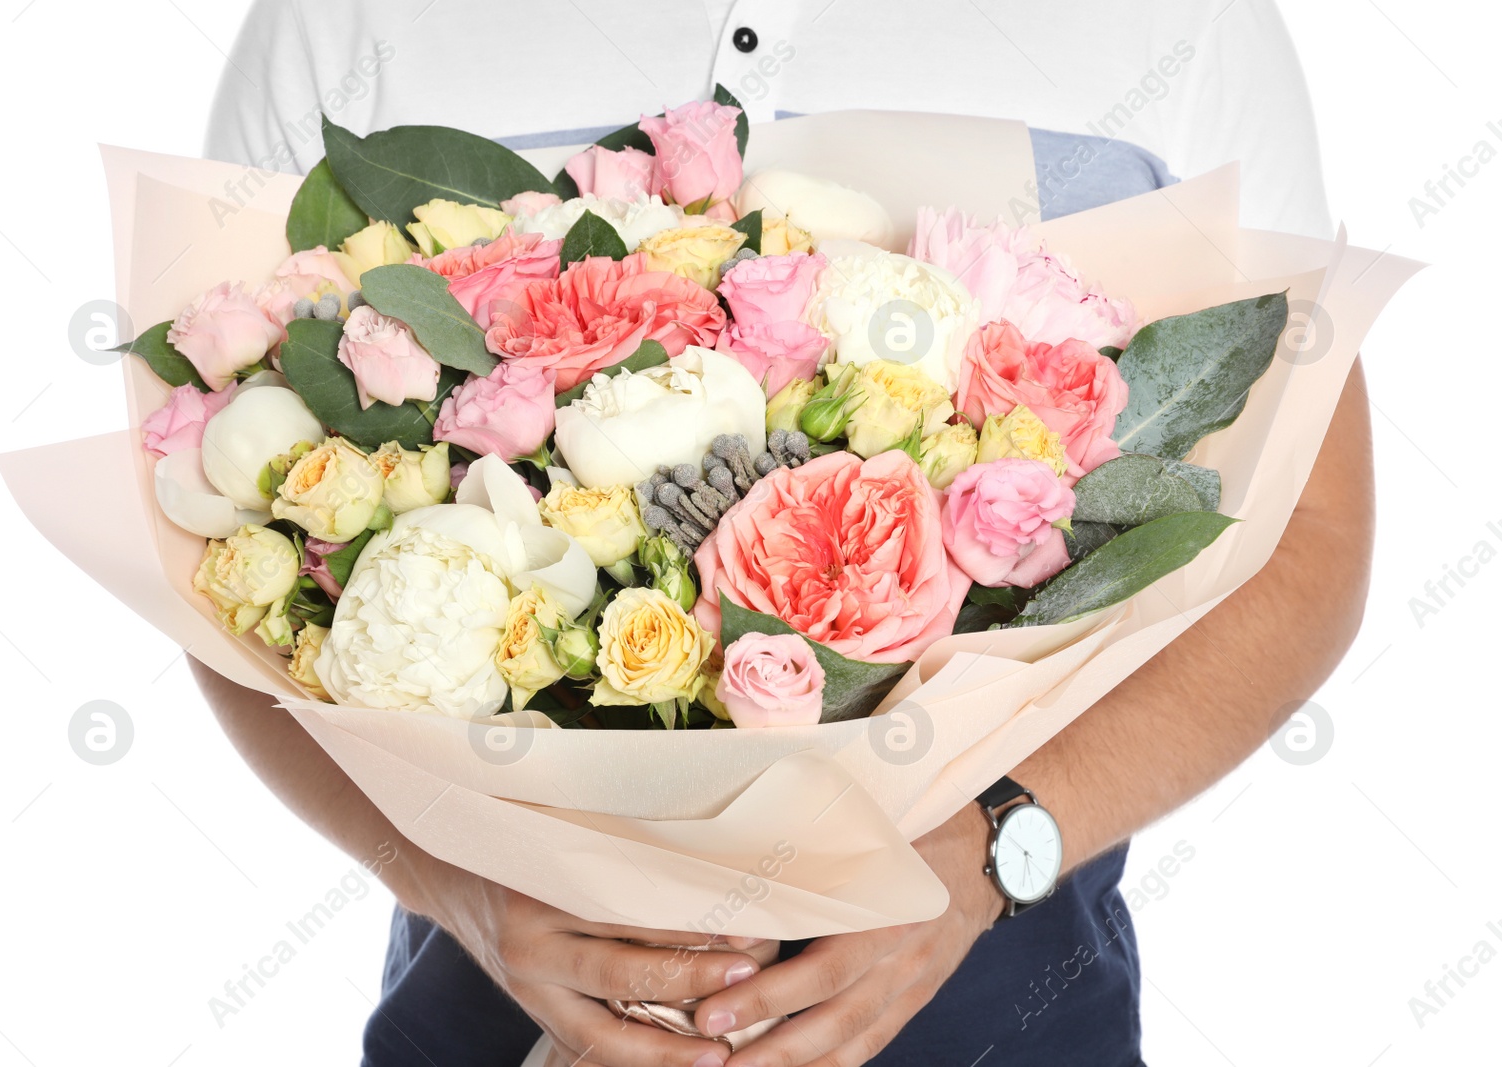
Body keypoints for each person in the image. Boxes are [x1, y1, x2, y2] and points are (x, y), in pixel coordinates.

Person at [197, 3, 1363, 1065]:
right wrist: (453, 880)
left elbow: (1307, 537)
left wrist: (990, 846)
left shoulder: (1186, 28)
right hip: (501, 1012)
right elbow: (209, 560)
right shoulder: (338, 21)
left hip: (999, 999)